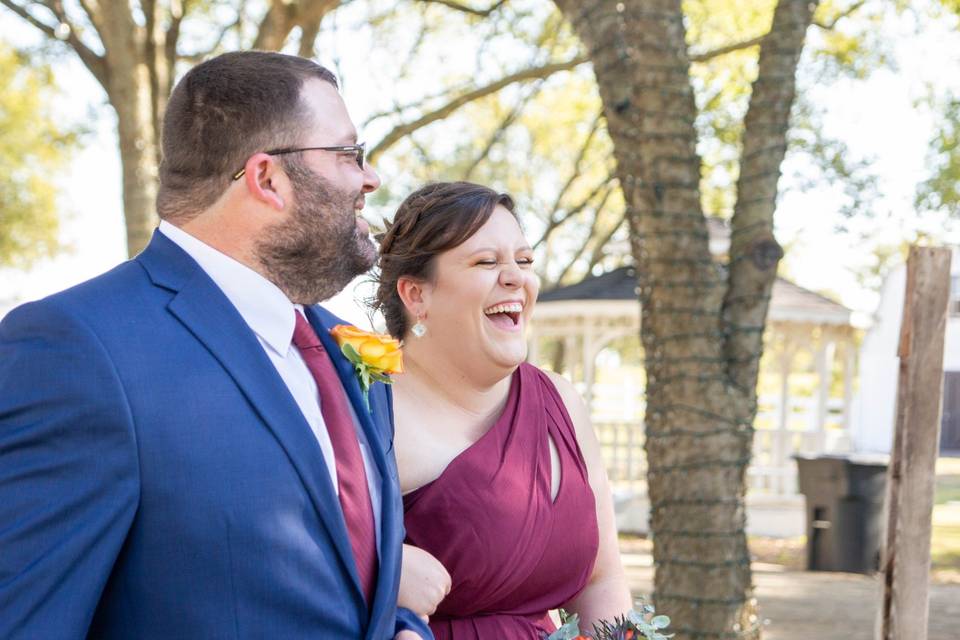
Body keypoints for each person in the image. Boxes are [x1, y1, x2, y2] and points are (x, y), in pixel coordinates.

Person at [0, 51, 430, 640]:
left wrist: (405, 627)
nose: (370, 178)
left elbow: (351, 579)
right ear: (267, 179)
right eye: (349, 155)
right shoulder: (78, 350)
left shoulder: (343, 347)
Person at [376, 182, 633, 638]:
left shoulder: (562, 402)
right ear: (416, 295)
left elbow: (601, 579)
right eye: (486, 262)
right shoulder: (368, 411)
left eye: (525, 260)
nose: (516, 277)